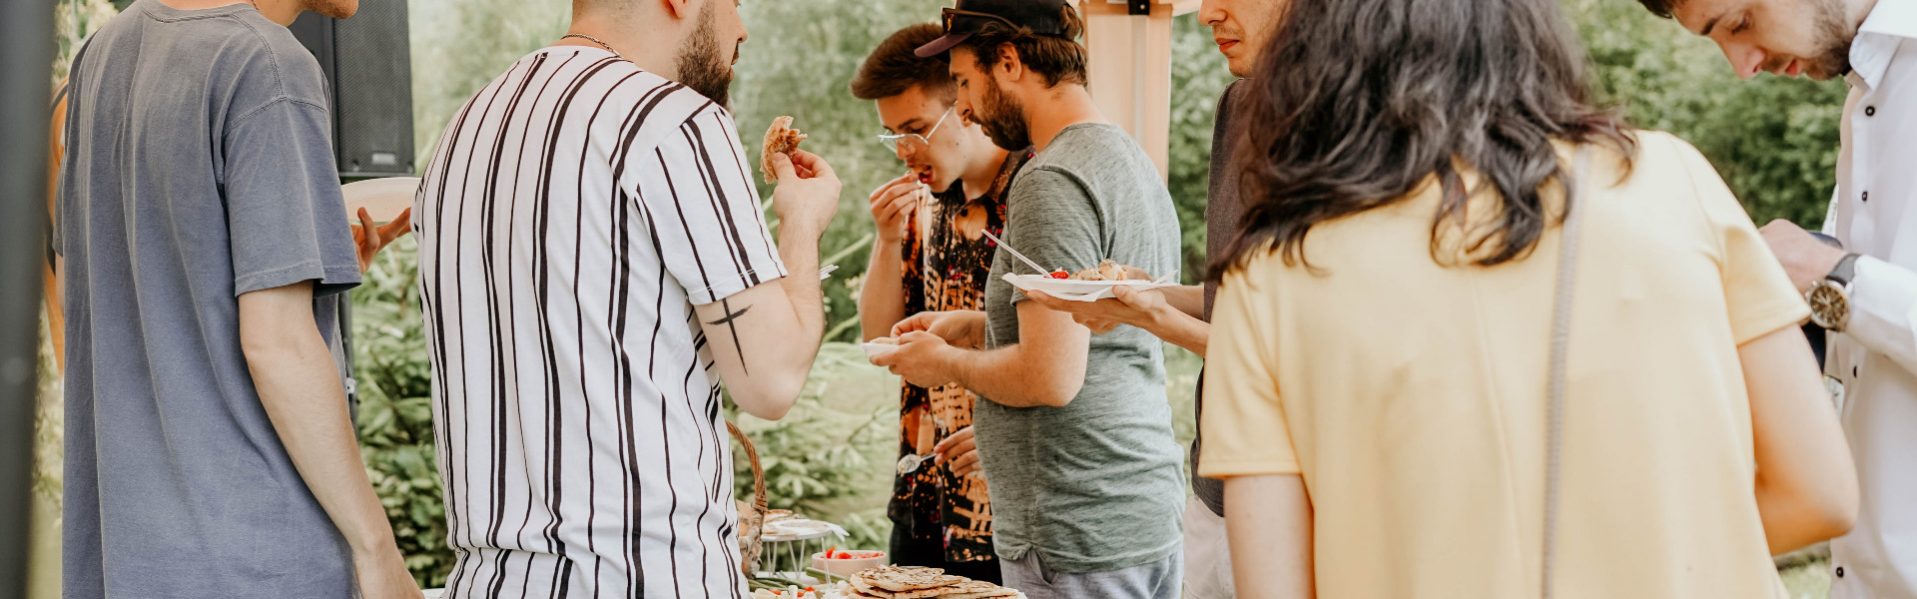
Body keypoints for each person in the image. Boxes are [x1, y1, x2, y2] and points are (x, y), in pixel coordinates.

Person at [1196, 0, 1859, 597]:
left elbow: (1275, 582)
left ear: (1319, 47)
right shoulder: (1672, 181)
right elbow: (1818, 492)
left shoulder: (1272, 274)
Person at [414, 0, 842, 595]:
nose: (741, 29)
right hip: (643, 577)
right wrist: (800, 224)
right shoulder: (675, 120)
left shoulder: (465, 130)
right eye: (736, 3)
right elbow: (771, 380)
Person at [55, 0, 420, 597]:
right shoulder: (270, 68)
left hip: (129, 560)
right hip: (254, 562)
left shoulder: (101, 57)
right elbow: (276, 344)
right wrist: (379, 552)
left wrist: (303, 259)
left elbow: (101, 286)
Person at [873, 1, 1186, 596]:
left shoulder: (1048, 180)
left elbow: (1050, 376)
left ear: (1010, 63)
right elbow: (1101, 326)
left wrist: (942, 365)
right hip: (1136, 507)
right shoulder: (1126, 156)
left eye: (964, 81)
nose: (963, 106)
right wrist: (975, 325)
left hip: (1073, 531)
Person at [1634, 0, 1917, 594]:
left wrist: (1835, 275)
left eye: (1739, 23)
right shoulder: (1872, 98)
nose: (1743, 65)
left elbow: (1852, 288)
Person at [1021, 1, 1279, 596]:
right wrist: (1142, 292)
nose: (1205, 13)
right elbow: (1230, 300)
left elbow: (1289, 358)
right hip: (1212, 482)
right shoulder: (1235, 107)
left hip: (1292, 485)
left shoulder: (1358, 130)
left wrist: (1155, 316)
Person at [850, 23, 1032, 584]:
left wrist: (1004, 434)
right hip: (922, 498)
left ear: (966, 104)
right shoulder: (925, 207)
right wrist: (884, 240)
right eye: (891, 135)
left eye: (915, 128)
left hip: (1007, 506)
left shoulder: (1036, 194)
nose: (905, 151)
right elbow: (882, 336)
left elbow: (1070, 353)